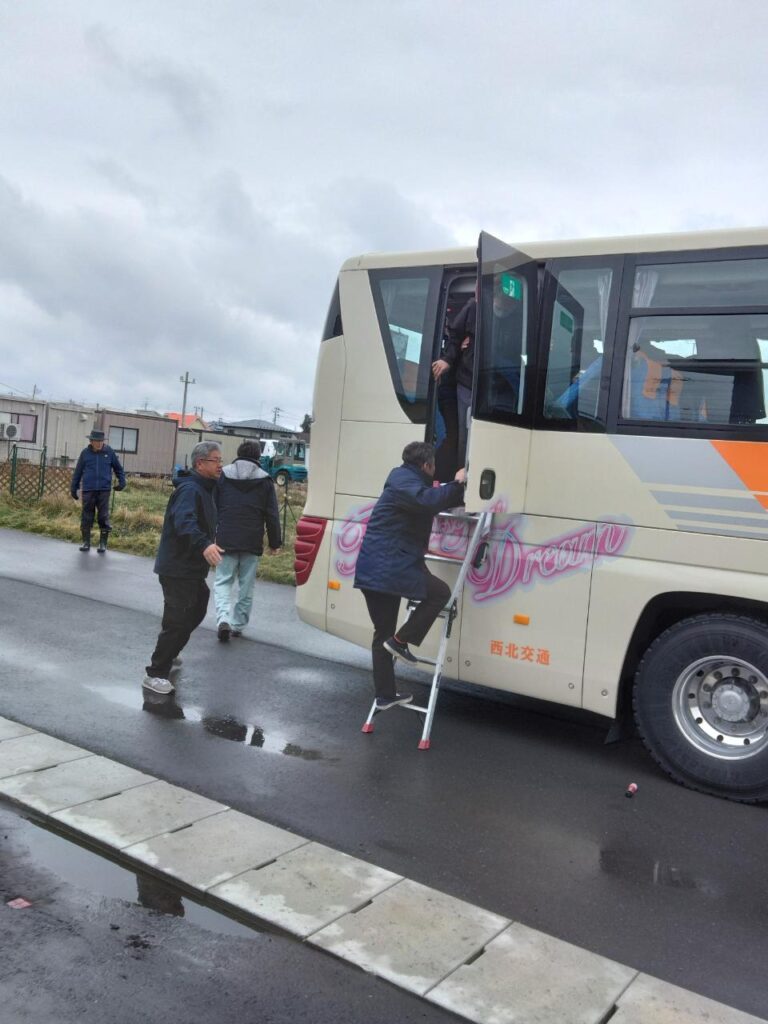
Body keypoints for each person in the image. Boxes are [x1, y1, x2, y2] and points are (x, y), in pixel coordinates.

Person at [354, 441, 466, 709]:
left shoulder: (403, 478)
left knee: (382, 633)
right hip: (389, 567)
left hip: (379, 568)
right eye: (434, 465)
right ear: (426, 465)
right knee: (440, 593)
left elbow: (425, 499)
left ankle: (385, 695)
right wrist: (458, 484)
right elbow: (426, 501)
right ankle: (401, 641)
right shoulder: (405, 482)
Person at [142, 441, 224, 695]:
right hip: (177, 566)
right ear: (200, 463)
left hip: (191, 568)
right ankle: (155, 673)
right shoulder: (190, 490)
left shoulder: (206, 488)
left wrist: (211, 542)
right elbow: (184, 521)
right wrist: (204, 544)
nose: (220, 465)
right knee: (176, 620)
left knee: (198, 607)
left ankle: (172, 649)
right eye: (215, 460)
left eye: (221, 460)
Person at [214, 440, 282, 641]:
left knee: (223, 581)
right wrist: (275, 543)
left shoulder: (224, 475)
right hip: (252, 540)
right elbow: (272, 515)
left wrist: (211, 534)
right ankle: (237, 625)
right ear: (258, 457)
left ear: (238, 453)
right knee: (246, 585)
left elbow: (214, 505)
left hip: (225, 537)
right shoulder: (265, 480)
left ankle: (223, 618)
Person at [432, 286, 477, 469]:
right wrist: (452, 355)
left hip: (456, 386)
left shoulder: (466, 342)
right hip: (447, 391)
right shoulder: (447, 345)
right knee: (451, 437)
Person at [70, 429, 126, 553]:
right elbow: (78, 472)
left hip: (104, 489)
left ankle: (102, 544)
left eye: (101, 441)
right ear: (91, 441)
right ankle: (86, 543)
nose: (100, 443)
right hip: (88, 489)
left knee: (103, 516)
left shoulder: (109, 452)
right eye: (97, 441)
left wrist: (122, 482)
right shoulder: (85, 454)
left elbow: (119, 469)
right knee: (86, 515)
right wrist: (74, 488)